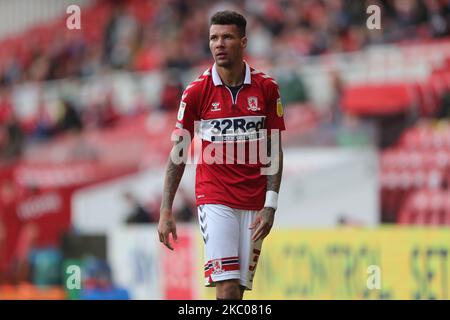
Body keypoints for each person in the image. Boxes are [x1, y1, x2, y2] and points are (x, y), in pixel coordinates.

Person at [158, 10, 285, 300]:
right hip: (215, 198)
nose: (219, 44)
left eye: (227, 37)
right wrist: (166, 210)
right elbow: (178, 154)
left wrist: (271, 205)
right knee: (225, 287)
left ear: (243, 42)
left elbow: (274, 148)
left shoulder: (267, 88)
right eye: (214, 37)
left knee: (238, 292)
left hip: (254, 201)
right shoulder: (196, 92)